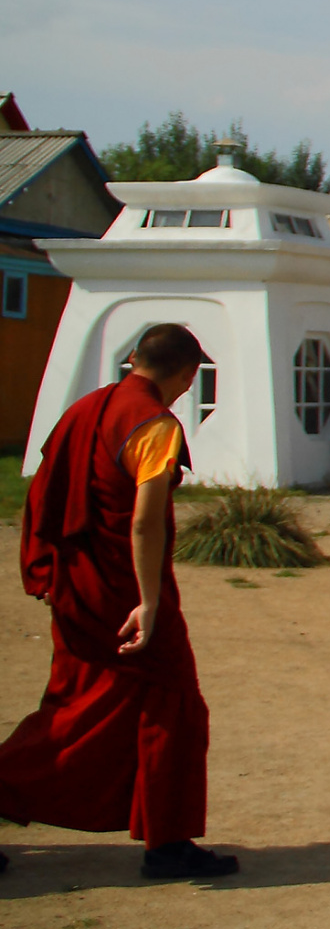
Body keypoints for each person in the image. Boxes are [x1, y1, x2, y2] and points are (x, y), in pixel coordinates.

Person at [0, 323, 237, 880]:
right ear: (185, 376)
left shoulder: (84, 410)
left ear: (133, 359)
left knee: (83, 708)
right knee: (172, 706)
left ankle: (166, 838)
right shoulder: (154, 425)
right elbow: (143, 521)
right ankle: (168, 845)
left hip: (76, 584)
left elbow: (42, 494)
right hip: (123, 592)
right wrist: (149, 603)